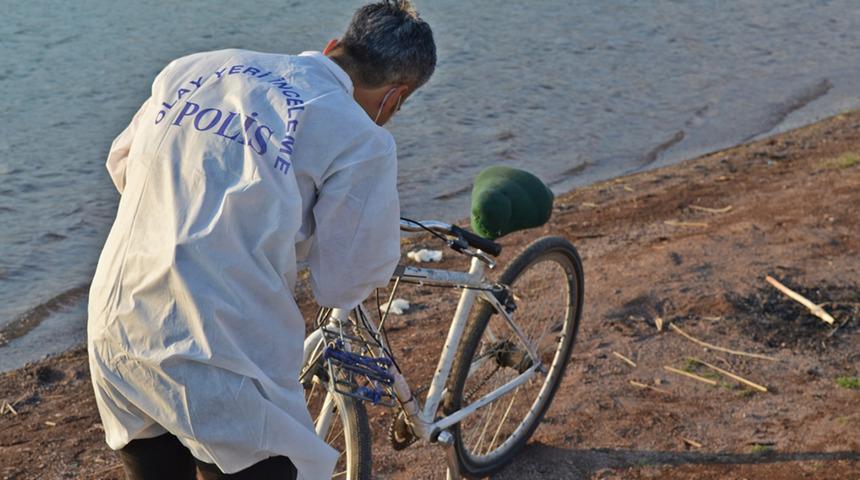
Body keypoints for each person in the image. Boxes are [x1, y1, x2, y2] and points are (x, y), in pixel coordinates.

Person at [86, 1, 436, 479]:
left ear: (334, 47)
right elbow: (343, 283)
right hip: (217, 353)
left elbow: (122, 166)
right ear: (393, 99)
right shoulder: (360, 138)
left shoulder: (196, 68)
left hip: (118, 320)